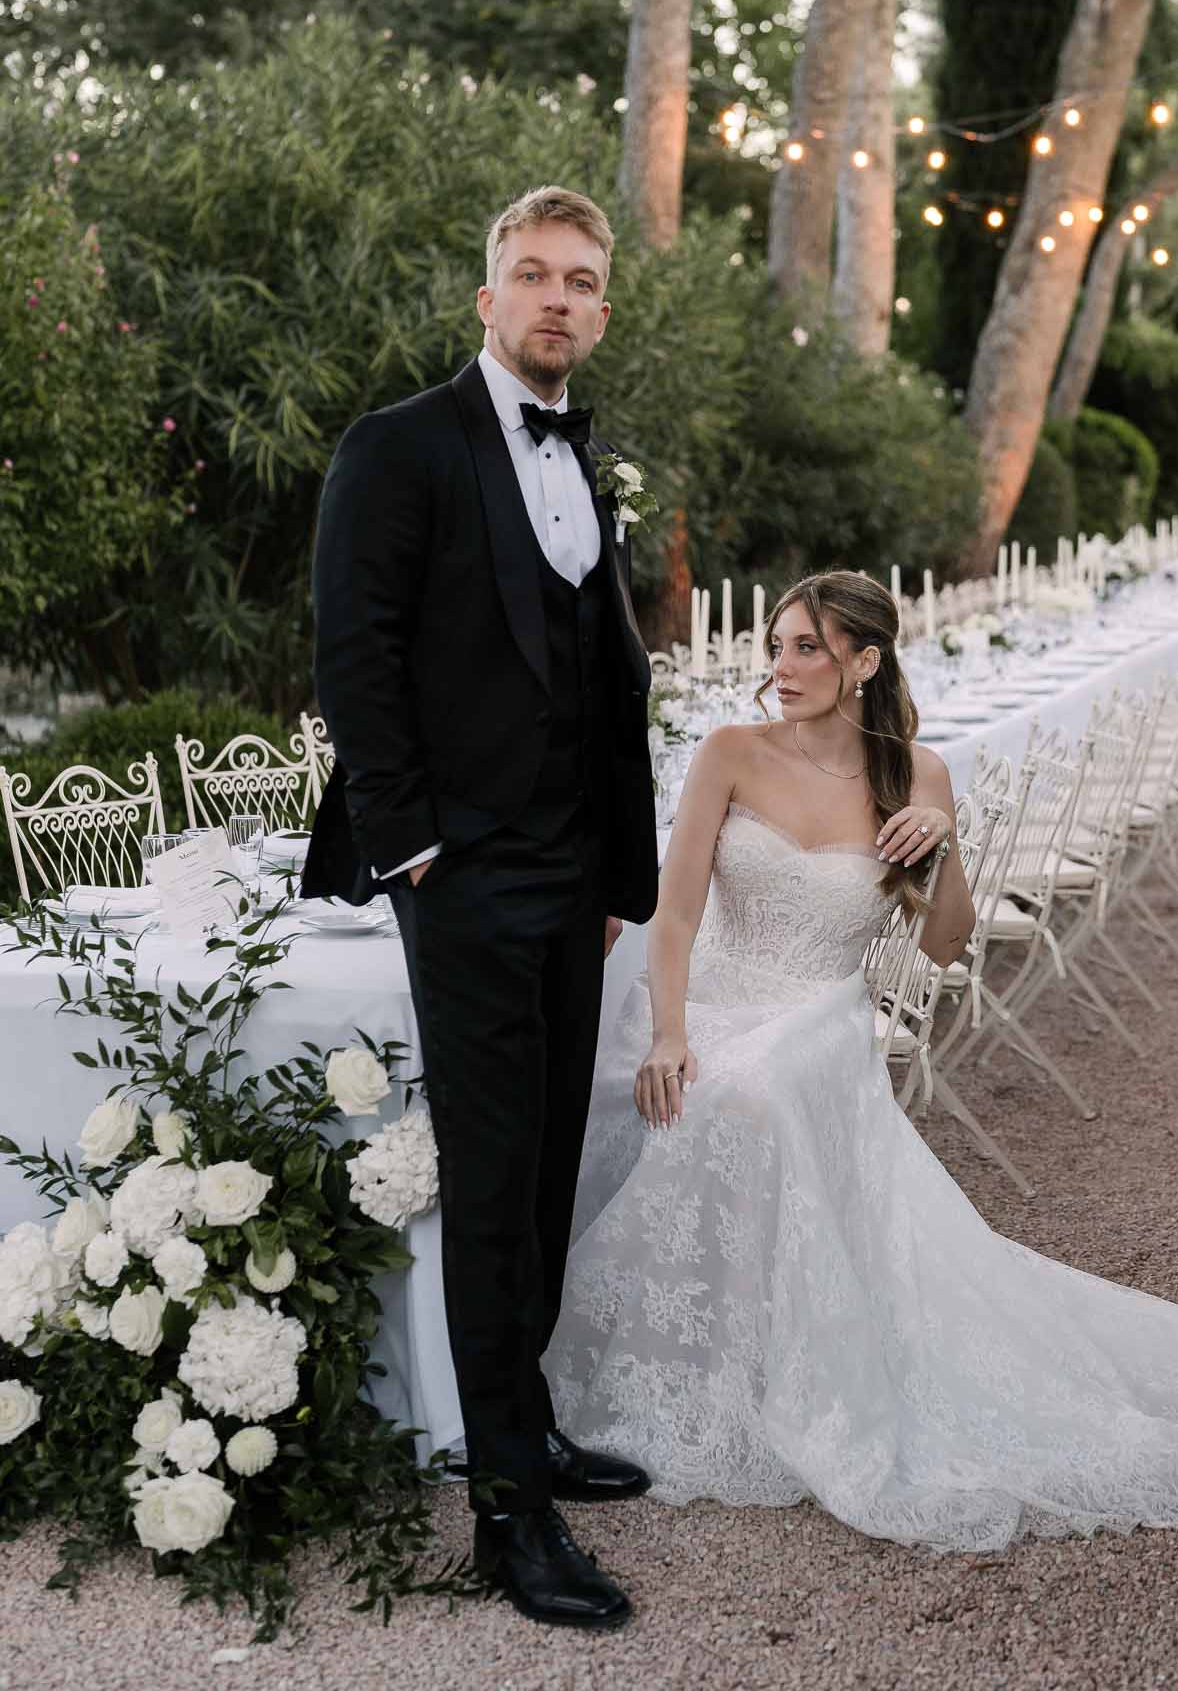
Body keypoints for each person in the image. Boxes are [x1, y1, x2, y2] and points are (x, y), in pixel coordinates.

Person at [547, 570, 1178, 1550]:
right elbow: (673, 915)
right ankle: (676, 1350)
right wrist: (673, 1030)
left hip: (816, 1015)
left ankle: (771, 1363)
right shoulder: (728, 751)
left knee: (755, 1094)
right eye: (777, 645)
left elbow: (944, 944)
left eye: (808, 646)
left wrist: (938, 850)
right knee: (652, 1088)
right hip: (707, 1001)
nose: (783, 665)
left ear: (865, 660)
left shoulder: (916, 775)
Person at [306, 186, 657, 1631]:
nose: (557, 299)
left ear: (602, 308)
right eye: (533, 275)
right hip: (463, 878)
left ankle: (531, 1426)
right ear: (487, 300)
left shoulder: (589, 461)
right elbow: (355, 652)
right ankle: (506, 1518)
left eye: (581, 280)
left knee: (545, 1171)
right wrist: (416, 856)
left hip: (575, 880)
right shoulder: (399, 448)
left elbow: (599, 668)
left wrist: (618, 875)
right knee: (493, 1187)